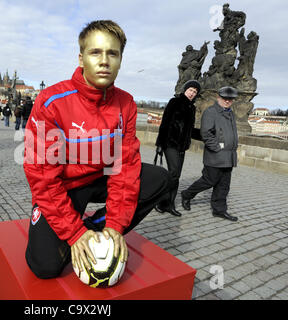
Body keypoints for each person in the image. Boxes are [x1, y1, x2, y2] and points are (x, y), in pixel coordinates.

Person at [23, 20, 171, 279]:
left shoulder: (126, 104)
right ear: (81, 59)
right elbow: (43, 178)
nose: (104, 61)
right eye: (96, 53)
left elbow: (125, 167)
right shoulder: (51, 101)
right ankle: (74, 227)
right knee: (44, 267)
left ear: (120, 59)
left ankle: (97, 227)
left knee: (159, 179)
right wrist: (73, 233)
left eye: (112, 53)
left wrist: (115, 224)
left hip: (99, 178)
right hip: (64, 186)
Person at [181, 86, 239, 222]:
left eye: (230, 99)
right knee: (209, 180)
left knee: (224, 184)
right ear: (219, 97)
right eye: (225, 98)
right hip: (216, 155)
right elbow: (206, 134)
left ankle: (219, 210)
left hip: (229, 156)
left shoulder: (231, 113)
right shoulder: (211, 112)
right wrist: (217, 148)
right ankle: (187, 194)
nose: (227, 101)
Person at [154, 80, 202, 217]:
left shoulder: (192, 108)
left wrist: (206, 136)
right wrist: (160, 144)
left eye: (195, 92)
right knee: (174, 173)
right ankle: (163, 203)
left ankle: (167, 204)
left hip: (182, 146)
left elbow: (190, 130)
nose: (192, 93)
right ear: (185, 90)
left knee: (175, 175)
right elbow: (164, 123)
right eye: (190, 90)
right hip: (170, 144)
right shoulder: (174, 102)